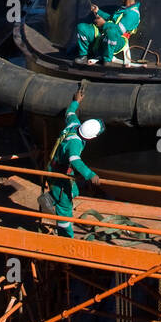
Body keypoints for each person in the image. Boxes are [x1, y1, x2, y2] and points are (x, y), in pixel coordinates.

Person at [44, 87, 104, 238]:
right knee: (65, 206)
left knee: (74, 191)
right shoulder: (76, 144)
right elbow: (74, 159)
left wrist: (75, 102)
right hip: (59, 174)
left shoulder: (74, 124)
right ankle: (66, 236)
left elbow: (69, 113)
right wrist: (90, 175)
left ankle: (53, 197)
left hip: (55, 165)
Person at [75, 0, 141, 64]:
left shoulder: (132, 14)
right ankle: (83, 56)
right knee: (81, 28)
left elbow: (118, 30)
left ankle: (107, 60)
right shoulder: (124, 8)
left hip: (118, 40)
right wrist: (98, 11)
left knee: (111, 32)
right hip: (105, 34)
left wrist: (103, 24)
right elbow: (112, 19)